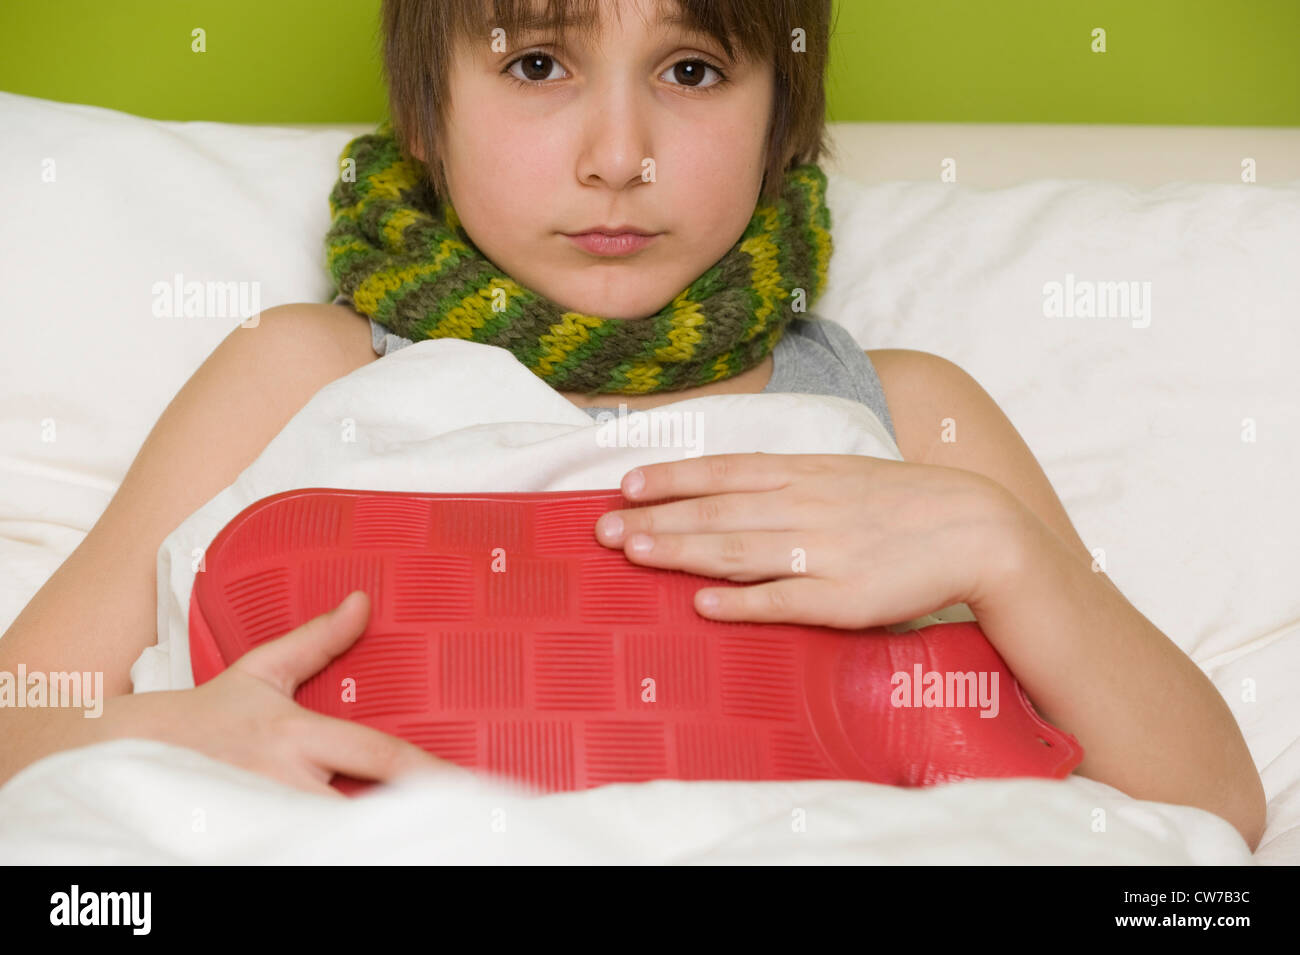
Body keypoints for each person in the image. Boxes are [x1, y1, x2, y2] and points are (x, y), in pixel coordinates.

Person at [0, 0, 1264, 851]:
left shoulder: (906, 409)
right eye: (537, 65)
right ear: (428, 113)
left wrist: (1008, 557)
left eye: (693, 71)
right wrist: (166, 730)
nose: (620, 154)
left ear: (781, 121)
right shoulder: (294, 370)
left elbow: (1210, 804)